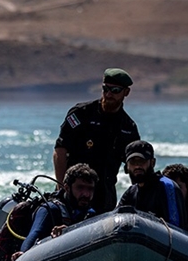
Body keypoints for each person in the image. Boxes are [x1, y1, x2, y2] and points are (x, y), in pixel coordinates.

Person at [53, 68, 140, 214]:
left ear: (126, 92)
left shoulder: (128, 127)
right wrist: (61, 186)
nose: (108, 94)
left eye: (115, 90)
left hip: (104, 196)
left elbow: (134, 165)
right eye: (105, 89)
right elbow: (60, 150)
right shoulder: (81, 114)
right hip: (74, 192)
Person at [13, 163, 98, 259]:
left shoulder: (90, 213)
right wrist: (23, 253)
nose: (86, 194)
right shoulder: (50, 209)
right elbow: (35, 233)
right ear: (66, 188)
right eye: (80, 188)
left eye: (90, 189)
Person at [118, 140, 186, 228]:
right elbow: (115, 218)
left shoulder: (167, 186)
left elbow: (176, 228)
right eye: (133, 162)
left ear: (153, 163)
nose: (137, 166)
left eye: (142, 161)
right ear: (127, 166)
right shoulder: (131, 192)